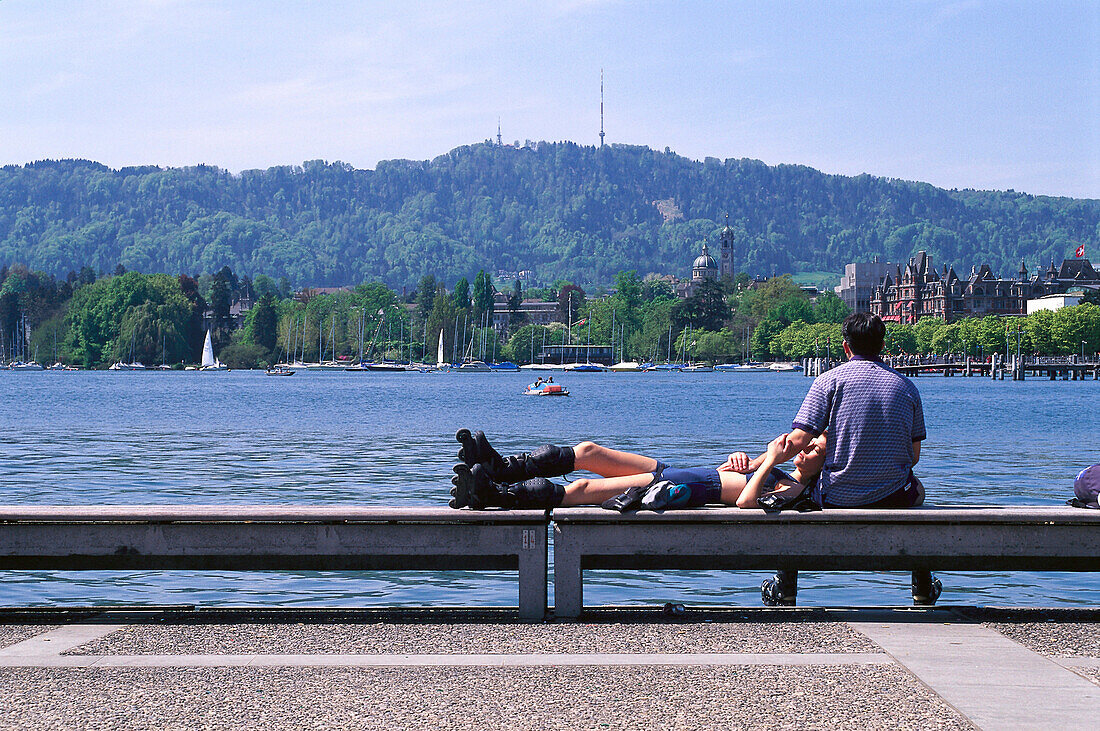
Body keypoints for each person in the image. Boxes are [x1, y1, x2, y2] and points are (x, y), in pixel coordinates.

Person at [753, 312, 935, 606]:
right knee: (920, 491)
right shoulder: (906, 387)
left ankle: (784, 587)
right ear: (882, 345)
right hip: (893, 498)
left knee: (802, 486)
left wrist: (758, 463)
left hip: (836, 497)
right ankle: (923, 584)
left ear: (845, 347)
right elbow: (912, 457)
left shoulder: (828, 381)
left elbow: (798, 440)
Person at [449, 429, 826, 511]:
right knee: (588, 450)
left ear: (825, 463)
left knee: (580, 489)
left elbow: (745, 501)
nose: (803, 448)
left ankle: (495, 495)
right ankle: (502, 469)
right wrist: (746, 458)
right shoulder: (778, 468)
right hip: (688, 471)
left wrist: (769, 463)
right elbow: (734, 469)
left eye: (814, 449)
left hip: (682, 487)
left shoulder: (793, 490)